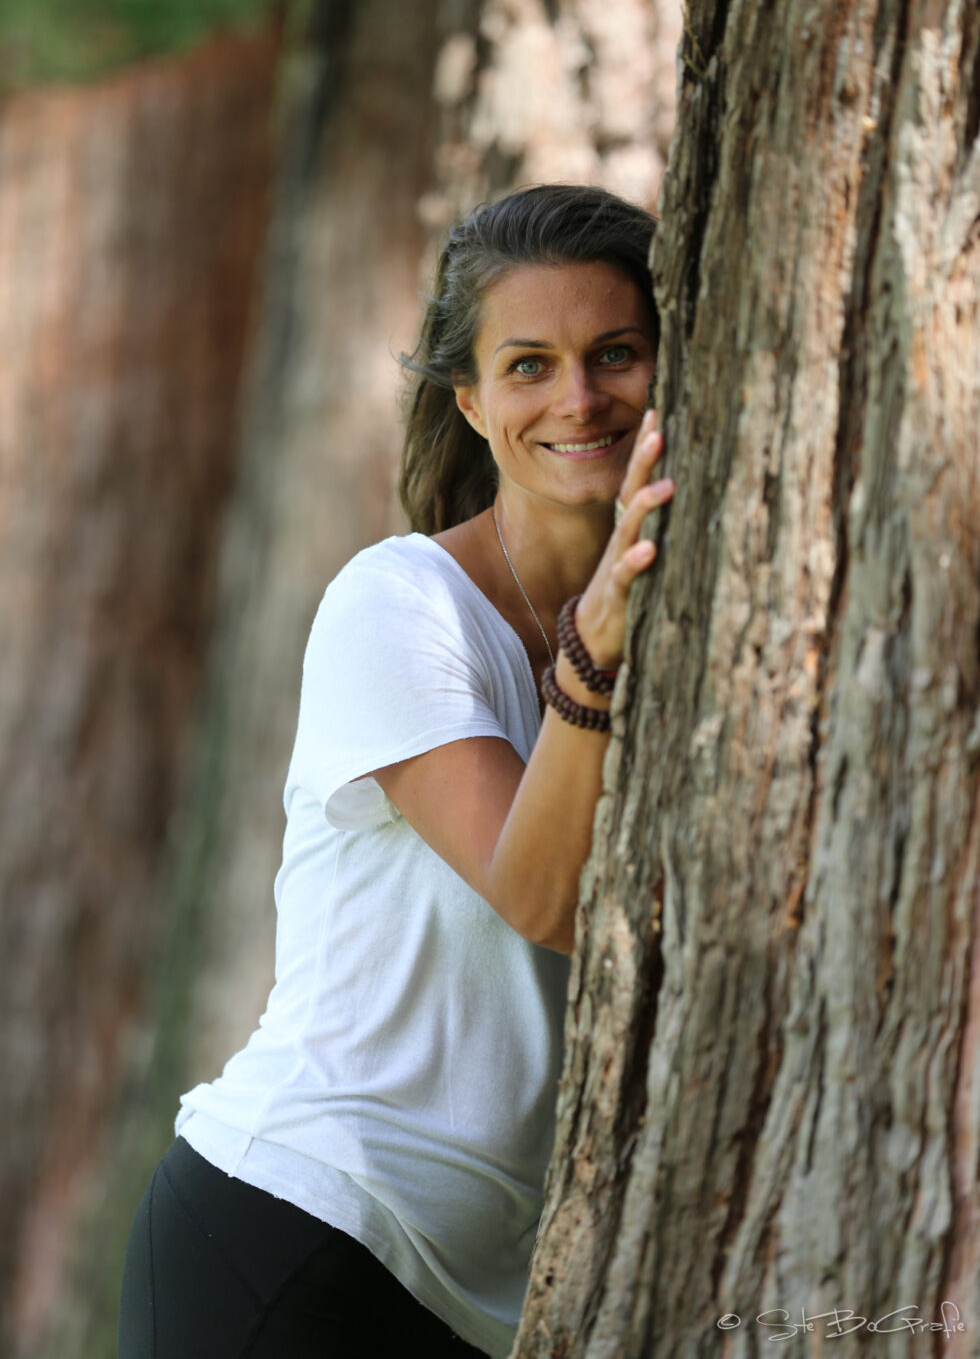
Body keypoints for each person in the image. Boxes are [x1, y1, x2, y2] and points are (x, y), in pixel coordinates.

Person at [118, 183, 675, 1359]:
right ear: (469, 401)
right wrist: (592, 655)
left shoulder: (691, 614)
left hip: (481, 1302)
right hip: (294, 1226)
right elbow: (540, 897)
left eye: (614, 354)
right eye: (528, 365)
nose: (579, 399)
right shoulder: (394, 604)